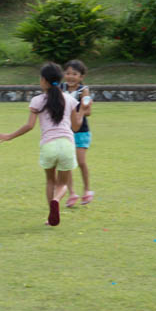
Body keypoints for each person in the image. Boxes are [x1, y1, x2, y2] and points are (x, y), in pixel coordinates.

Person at [0, 63, 85, 227]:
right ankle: (57, 200)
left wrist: (10, 136)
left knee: (50, 181)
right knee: (63, 184)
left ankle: (50, 214)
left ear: (43, 80)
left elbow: (29, 126)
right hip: (67, 144)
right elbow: (77, 127)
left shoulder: (37, 100)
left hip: (48, 145)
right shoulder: (70, 100)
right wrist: (83, 111)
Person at [62, 60, 94, 207]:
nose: (71, 77)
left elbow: (88, 110)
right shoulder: (60, 88)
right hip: (64, 130)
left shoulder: (83, 91)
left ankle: (87, 190)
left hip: (81, 132)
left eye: (74, 74)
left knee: (81, 162)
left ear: (81, 77)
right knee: (67, 163)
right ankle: (72, 193)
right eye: (68, 73)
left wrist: (78, 114)